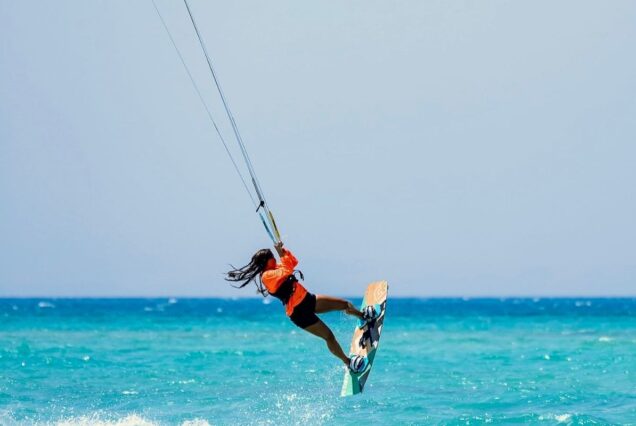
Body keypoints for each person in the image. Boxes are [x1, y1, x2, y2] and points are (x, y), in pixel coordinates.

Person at [226, 241, 379, 373]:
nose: (274, 259)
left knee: (344, 304)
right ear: (266, 261)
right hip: (298, 312)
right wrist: (281, 255)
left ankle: (363, 317)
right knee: (329, 336)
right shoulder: (267, 276)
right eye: (272, 257)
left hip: (307, 299)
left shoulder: (275, 268)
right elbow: (287, 270)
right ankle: (348, 363)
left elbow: (292, 262)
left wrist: (283, 252)